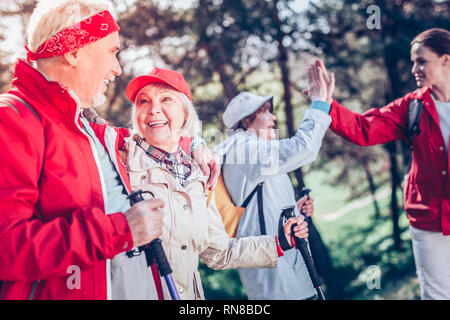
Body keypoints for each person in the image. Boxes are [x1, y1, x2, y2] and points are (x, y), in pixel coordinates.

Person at [0, 0, 218, 300]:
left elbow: (154, 136)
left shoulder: (89, 128)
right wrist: (120, 231)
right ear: (73, 51)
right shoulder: (11, 120)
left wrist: (193, 144)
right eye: (111, 52)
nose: (117, 69)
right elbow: (6, 247)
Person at [121, 67, 312, 300]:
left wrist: (279, 242)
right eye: (144, 101)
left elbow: (219, 253)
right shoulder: (121, 158)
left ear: (185, 111)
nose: (154, 109)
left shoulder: (198, 174)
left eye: (165, 99)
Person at [313, 28, 450, 300]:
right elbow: (364, 128)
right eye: (413, 62)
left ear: (446, 60)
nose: (414, 69)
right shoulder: (412, 107)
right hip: (429, 222)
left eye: (421, 61)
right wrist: (326, 103)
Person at [212, 62, 333, 300]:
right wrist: (320, 104)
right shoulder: (244, 148)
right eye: (266, 111)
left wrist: (296, 209)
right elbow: (303, 148)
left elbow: (258, 204)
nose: (274, 117)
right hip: (278, 281)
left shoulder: (250, 152)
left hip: (282, 274)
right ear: (246, 120)